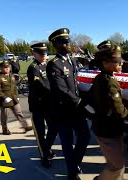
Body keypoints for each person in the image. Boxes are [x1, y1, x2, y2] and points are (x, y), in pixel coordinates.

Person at [46, 28, 90, 180]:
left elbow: (76, 84)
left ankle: (74, 163)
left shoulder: (72, 61)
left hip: (76, 109)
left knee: (85, 136)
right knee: (67, 141)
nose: (68, 43)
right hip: (62, 110)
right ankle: (72, 172)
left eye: (68, 40)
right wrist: (78, 101)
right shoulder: (54, 64)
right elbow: (60, 88)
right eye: (64, 42)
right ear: (56, 45)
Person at [90, 45, 128, 180]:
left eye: (121, 61)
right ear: (105, 63)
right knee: (117, 166)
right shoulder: (109, 82)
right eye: (116, 62)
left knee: (118, 163)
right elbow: (119, 111)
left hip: (109, 128)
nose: (121, 63)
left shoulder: (100, 77)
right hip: (107, 130)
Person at [27, 42, 58, 168]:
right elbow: (40, 86)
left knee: (54, 128)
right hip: (37, 105)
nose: (44, 56)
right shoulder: (33, 68)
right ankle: (44, 156)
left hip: (49, 104)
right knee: (40, 133)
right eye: (41, 54)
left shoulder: (48, 65)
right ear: (34, 53)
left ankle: (47, 148)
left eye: (45, 53)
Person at [0, 61, 32, 135]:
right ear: (1, 68)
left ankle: (25, 126)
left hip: (14, 98)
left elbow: (15, 87)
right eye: (5, 67)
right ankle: (5, 129)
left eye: (8, 67)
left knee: (19, 112)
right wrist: (4, 98)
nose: (7, 69)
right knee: (5, 115)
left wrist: (17, 96)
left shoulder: (12, 76)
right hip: (4, 100)